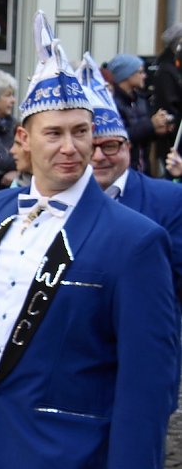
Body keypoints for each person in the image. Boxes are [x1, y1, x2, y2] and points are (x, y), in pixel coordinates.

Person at [0, 11, 179, 469]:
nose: (72, 148)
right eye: (54, 133)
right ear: (24, 140)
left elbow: (148, 378)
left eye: (81, 131)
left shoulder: (135, 240)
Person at [78, 53, 182, 301]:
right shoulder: (59, 198)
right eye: (91, 148)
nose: (99, 157)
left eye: (110, 146)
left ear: (127, 147)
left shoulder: (169, 199)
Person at [106, 53, 172, 175]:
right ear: (126, 75)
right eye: (140, 72)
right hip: (123, 170)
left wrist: (158, 130)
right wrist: (151, 125)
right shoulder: (112, 103)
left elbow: (142, 135)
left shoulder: (140, 100)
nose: (145, 76)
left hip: (143, 168)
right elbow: (120, 136)